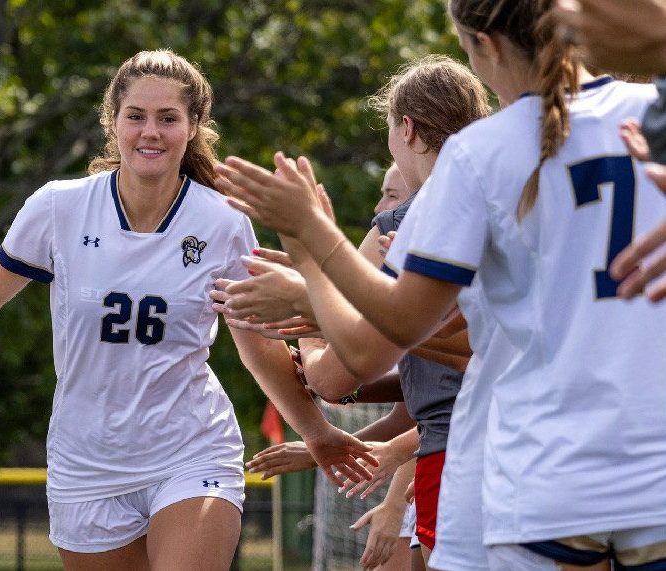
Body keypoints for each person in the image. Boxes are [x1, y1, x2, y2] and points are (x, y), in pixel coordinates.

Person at [0, 49, 374, 570]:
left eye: (168, 118)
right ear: (112, 122)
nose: (151, 131)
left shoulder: (221, 222)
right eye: (137, 116)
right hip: (87, 460)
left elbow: (259, 347)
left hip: (190, 449)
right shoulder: (58, 207)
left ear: (193, 126)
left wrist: (317, 432)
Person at [218, 0, 666, 569]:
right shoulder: (649, 117)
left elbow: (368, 346)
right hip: (654, 474)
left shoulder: (479, 158)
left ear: (487, 47)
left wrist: (310, 242)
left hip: (541, 474)